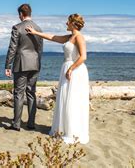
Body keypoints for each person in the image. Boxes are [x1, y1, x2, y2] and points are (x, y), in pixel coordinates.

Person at [25, 14, 89, 144]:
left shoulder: (79, 37)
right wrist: (36, 32)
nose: (66, 23)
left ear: (73, 23)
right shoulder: (70, 37)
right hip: (67, 68)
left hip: (75, 70)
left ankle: (73, 131)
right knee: (65, 99)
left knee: (73, 100)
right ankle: (65, 128)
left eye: (68, 22)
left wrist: (71, 69)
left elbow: (83, 57)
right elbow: (53, 37)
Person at [4, 4, 43, 131]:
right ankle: (31, 123)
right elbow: (40, 49)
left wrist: (8, 65)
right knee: (31, 93)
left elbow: (12, 48)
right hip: (35, 63)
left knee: (18, 93)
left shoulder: (17, 27)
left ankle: (16, 124)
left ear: (21, 14)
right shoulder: (38, 28)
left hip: (21, 63)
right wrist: (38, 62)